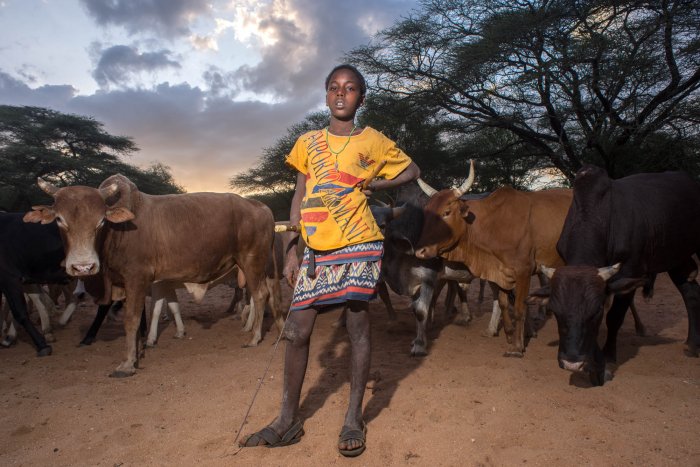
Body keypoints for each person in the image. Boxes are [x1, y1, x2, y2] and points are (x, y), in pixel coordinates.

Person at [239, 64, 420, 457]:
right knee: (297, 330)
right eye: (335, 88)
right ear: (325, 96)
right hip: (317, 249)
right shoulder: (308, 142)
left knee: (356, 328)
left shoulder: (371, 140)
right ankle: (287, 419)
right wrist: (291, 246)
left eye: (350, 89)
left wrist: (374, 182)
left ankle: (354, 418)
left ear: (361, 98)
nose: (341, 94)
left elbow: (412, 169)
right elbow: (299, 196)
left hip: (359, 244)